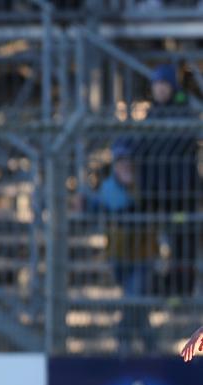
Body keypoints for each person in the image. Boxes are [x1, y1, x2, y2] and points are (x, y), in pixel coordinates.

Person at [82, 139, 157, 352]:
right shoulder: (109, 188)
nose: (124, 166)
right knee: (137, 305)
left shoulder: (145, 185)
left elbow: (147, 208)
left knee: (134, 299)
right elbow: (95, 208)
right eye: (120, 161)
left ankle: (124, 341)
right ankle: (149, 347)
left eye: (127, 161)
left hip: (142, 255)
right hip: (120, 255)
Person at [136, 64, 199, 296]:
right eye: (156, 85)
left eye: (164, 84)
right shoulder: (152, 115)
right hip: (157, 195)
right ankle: (163, 292)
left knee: (183, 244)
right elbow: (144, 151)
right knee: (159, 247)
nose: (160, 90)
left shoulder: (183, 112)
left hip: (181, 196)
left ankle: (182, 293)